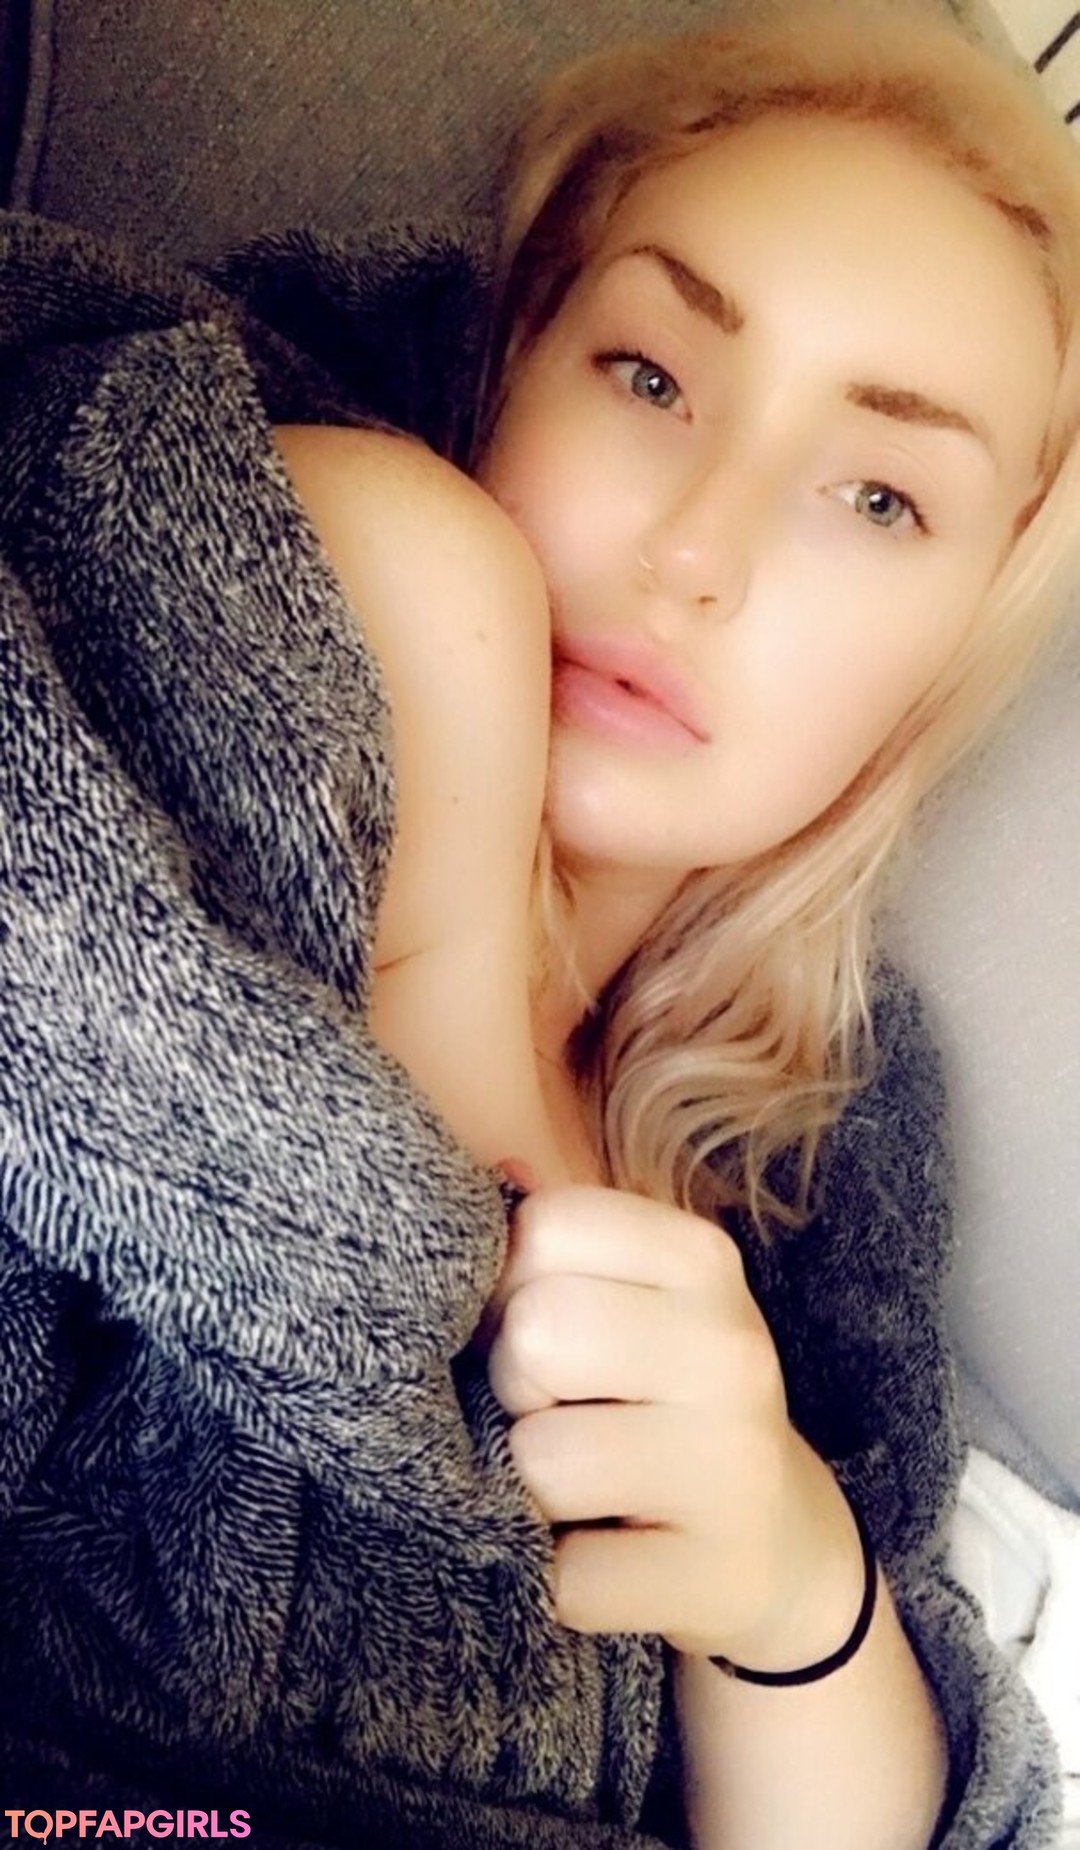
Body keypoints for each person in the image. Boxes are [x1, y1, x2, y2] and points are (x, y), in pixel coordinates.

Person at [0, 1, 1077, 1844]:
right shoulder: (301, 567)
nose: (696, 550)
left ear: (952, 652)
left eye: (880, 495)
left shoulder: (824, 1158)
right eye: (649, 376)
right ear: (513, 360)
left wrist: (795, 1594)